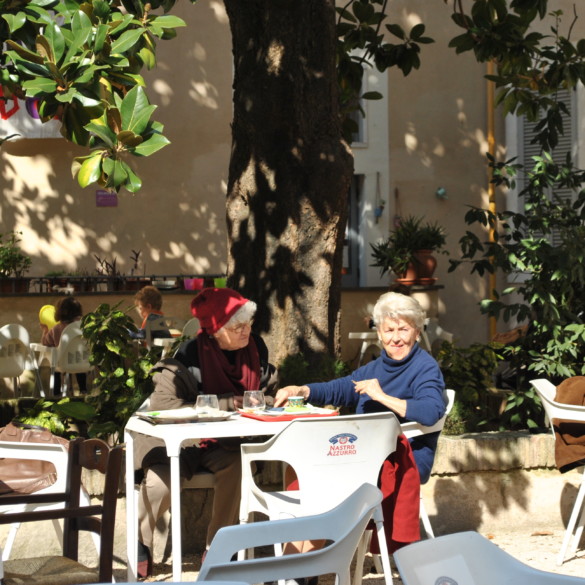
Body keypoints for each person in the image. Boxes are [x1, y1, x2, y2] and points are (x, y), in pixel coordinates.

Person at [275, 291, 446, 554]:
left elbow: (431, 411)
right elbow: (341, 388)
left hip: (402, 459)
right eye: (389, 330)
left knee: (319, 477)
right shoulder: (375, 367)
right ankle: (298, 563)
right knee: (298, 470)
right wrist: (301, 390)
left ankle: (300, 565)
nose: (396, 338)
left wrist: (382, 396)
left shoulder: (425, 367)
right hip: (363, 454)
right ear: (379, 333)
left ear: (416, 332)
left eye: (403, 329)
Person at [134, 287, 278, 578]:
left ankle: (217, 547)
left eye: (249, 324)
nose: (246, 331)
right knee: (160, 483)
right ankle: (140, 541)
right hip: (182, 442)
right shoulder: (188, 356)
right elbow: (163, 405)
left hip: (225, 443)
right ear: (216, 331)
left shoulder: (256, 350)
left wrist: (267, 401)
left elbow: (269, 394)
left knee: (237, 466)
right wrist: (226, 403)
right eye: (237, 327)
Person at [39, 296, 87, 394]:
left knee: (55, 367)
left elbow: (45, 343)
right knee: (79, 361)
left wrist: (45, 330)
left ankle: (56, 394)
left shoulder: (56, 329)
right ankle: (83, 390)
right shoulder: (84, 327)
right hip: (84, 362)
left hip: (63, 363)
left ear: (59, 312)